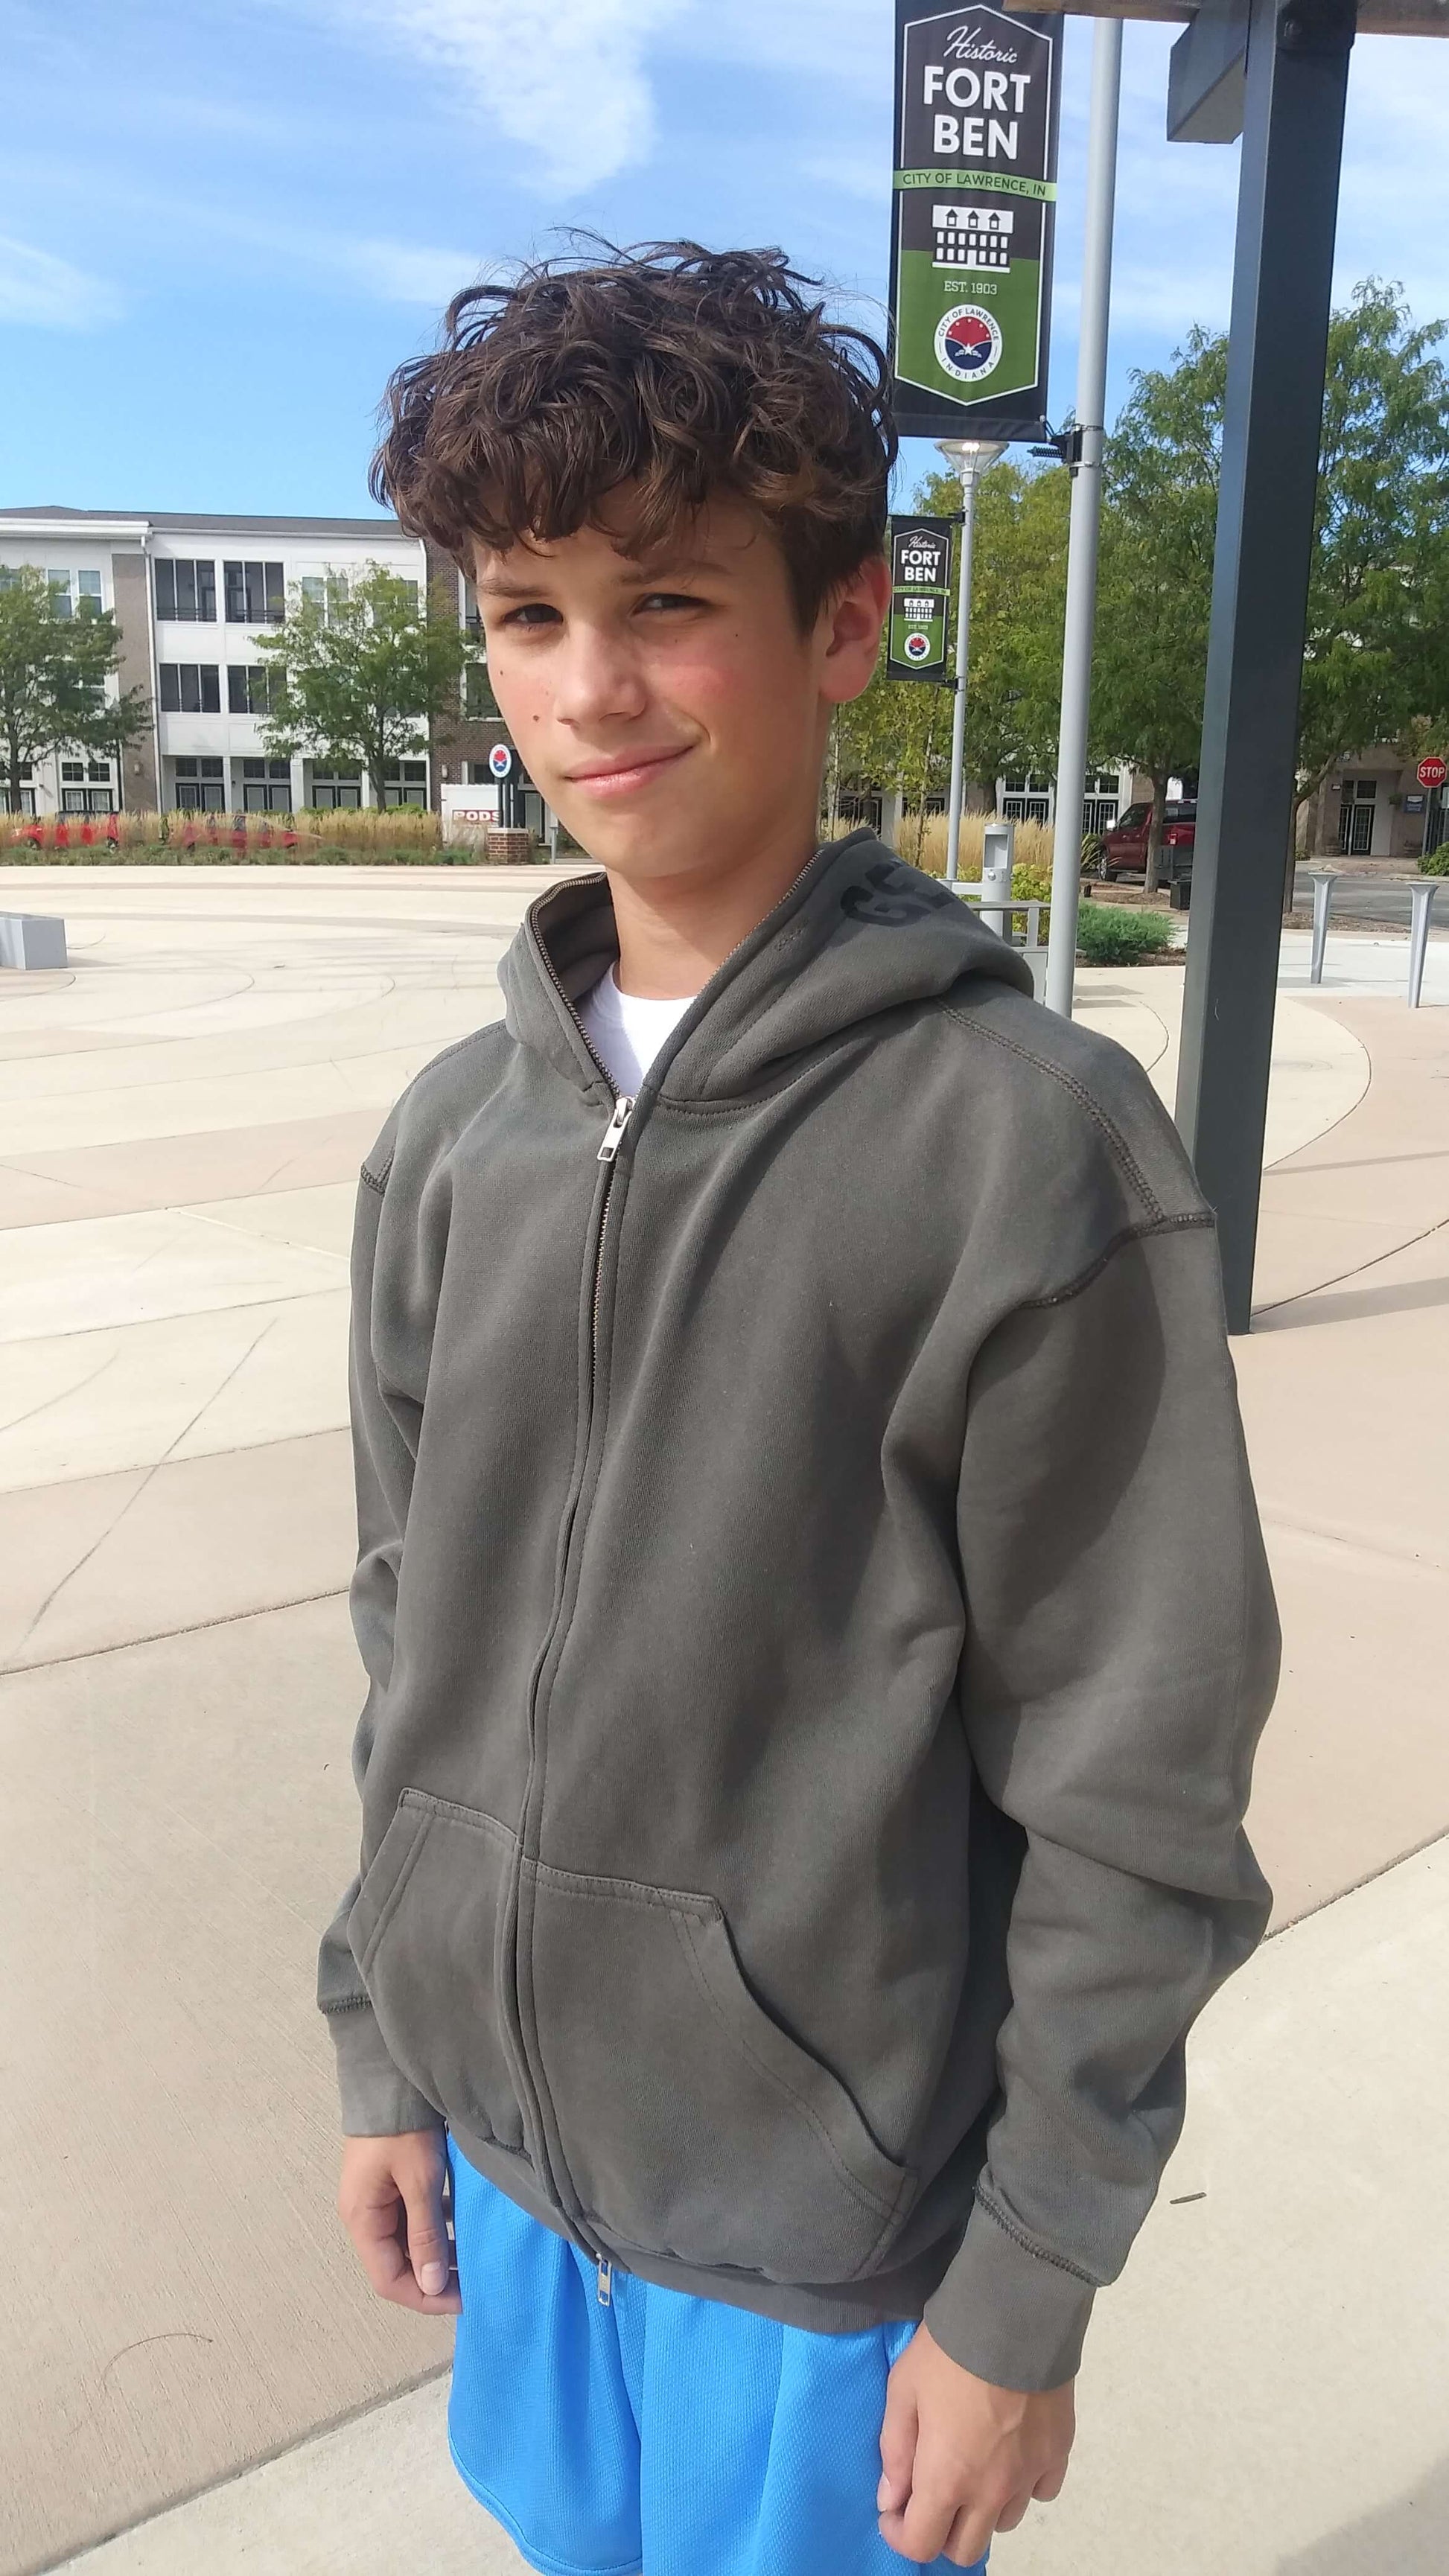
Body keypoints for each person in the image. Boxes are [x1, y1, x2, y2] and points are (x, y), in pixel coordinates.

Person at [319, 242, 1278, 2576]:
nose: (590, 685)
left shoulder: (1016, 1145)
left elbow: (1134, 1770)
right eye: (528, 613)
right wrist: (382, 2036)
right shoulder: (453, 1137)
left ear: (843, 624)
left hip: (830, 2244)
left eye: (663, 601)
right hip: (518, 2178)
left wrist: (1024, 2280)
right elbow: (405, 1630)